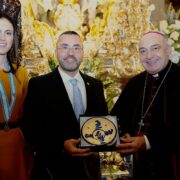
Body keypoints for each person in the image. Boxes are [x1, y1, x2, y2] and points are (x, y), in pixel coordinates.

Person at [22, 30, 108, 180]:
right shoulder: (39, 85)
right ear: (56, 51)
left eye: (76, 48)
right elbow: (30, 129)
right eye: (64, 47)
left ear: (82, 52)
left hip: (89, 171)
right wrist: (61, 145)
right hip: (52, 170)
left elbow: (103, 122)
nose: (70, 53)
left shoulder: (95, 85)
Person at [111, 31, 180, 180]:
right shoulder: (135, 83)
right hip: (137, 170)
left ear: (168, 50)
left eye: (155, 48)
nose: (148, 56)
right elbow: (117, 118)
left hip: (172, 168)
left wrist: (147, 142)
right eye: (143, 51)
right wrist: (124, 135)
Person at [0, 13, 29, 180]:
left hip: (17, 145)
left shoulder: (21, 73)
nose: (2, 38)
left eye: (8, 32)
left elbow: (29, 114)